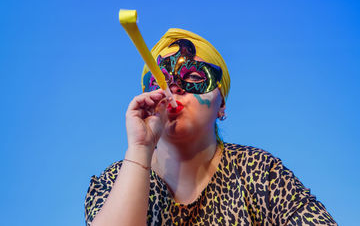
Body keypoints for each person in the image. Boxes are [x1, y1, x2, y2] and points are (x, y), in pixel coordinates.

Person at [84, 29, 336, 225]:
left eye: (194, 77)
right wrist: (140, 149)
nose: (174, 87)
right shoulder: (113, 182)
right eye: (160, 78)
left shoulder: (261, 173)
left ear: (221, 105)